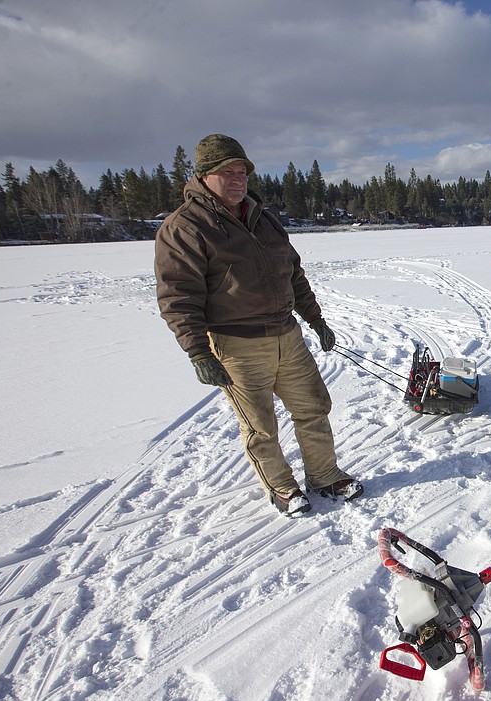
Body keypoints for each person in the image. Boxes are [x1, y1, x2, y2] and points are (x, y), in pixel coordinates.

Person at [155, 133, 362, 518]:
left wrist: (315, 319)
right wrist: (198, 351)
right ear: (202, 176)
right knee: (260, 425)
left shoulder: (262, 218)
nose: (238, 180)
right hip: (237, 344)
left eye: (242, 172)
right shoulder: (185, 227)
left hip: (288, 335)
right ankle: (282, 487)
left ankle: (325, 475)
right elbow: (177, 295)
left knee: (314, 408)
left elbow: (293, 272)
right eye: (226, 173)